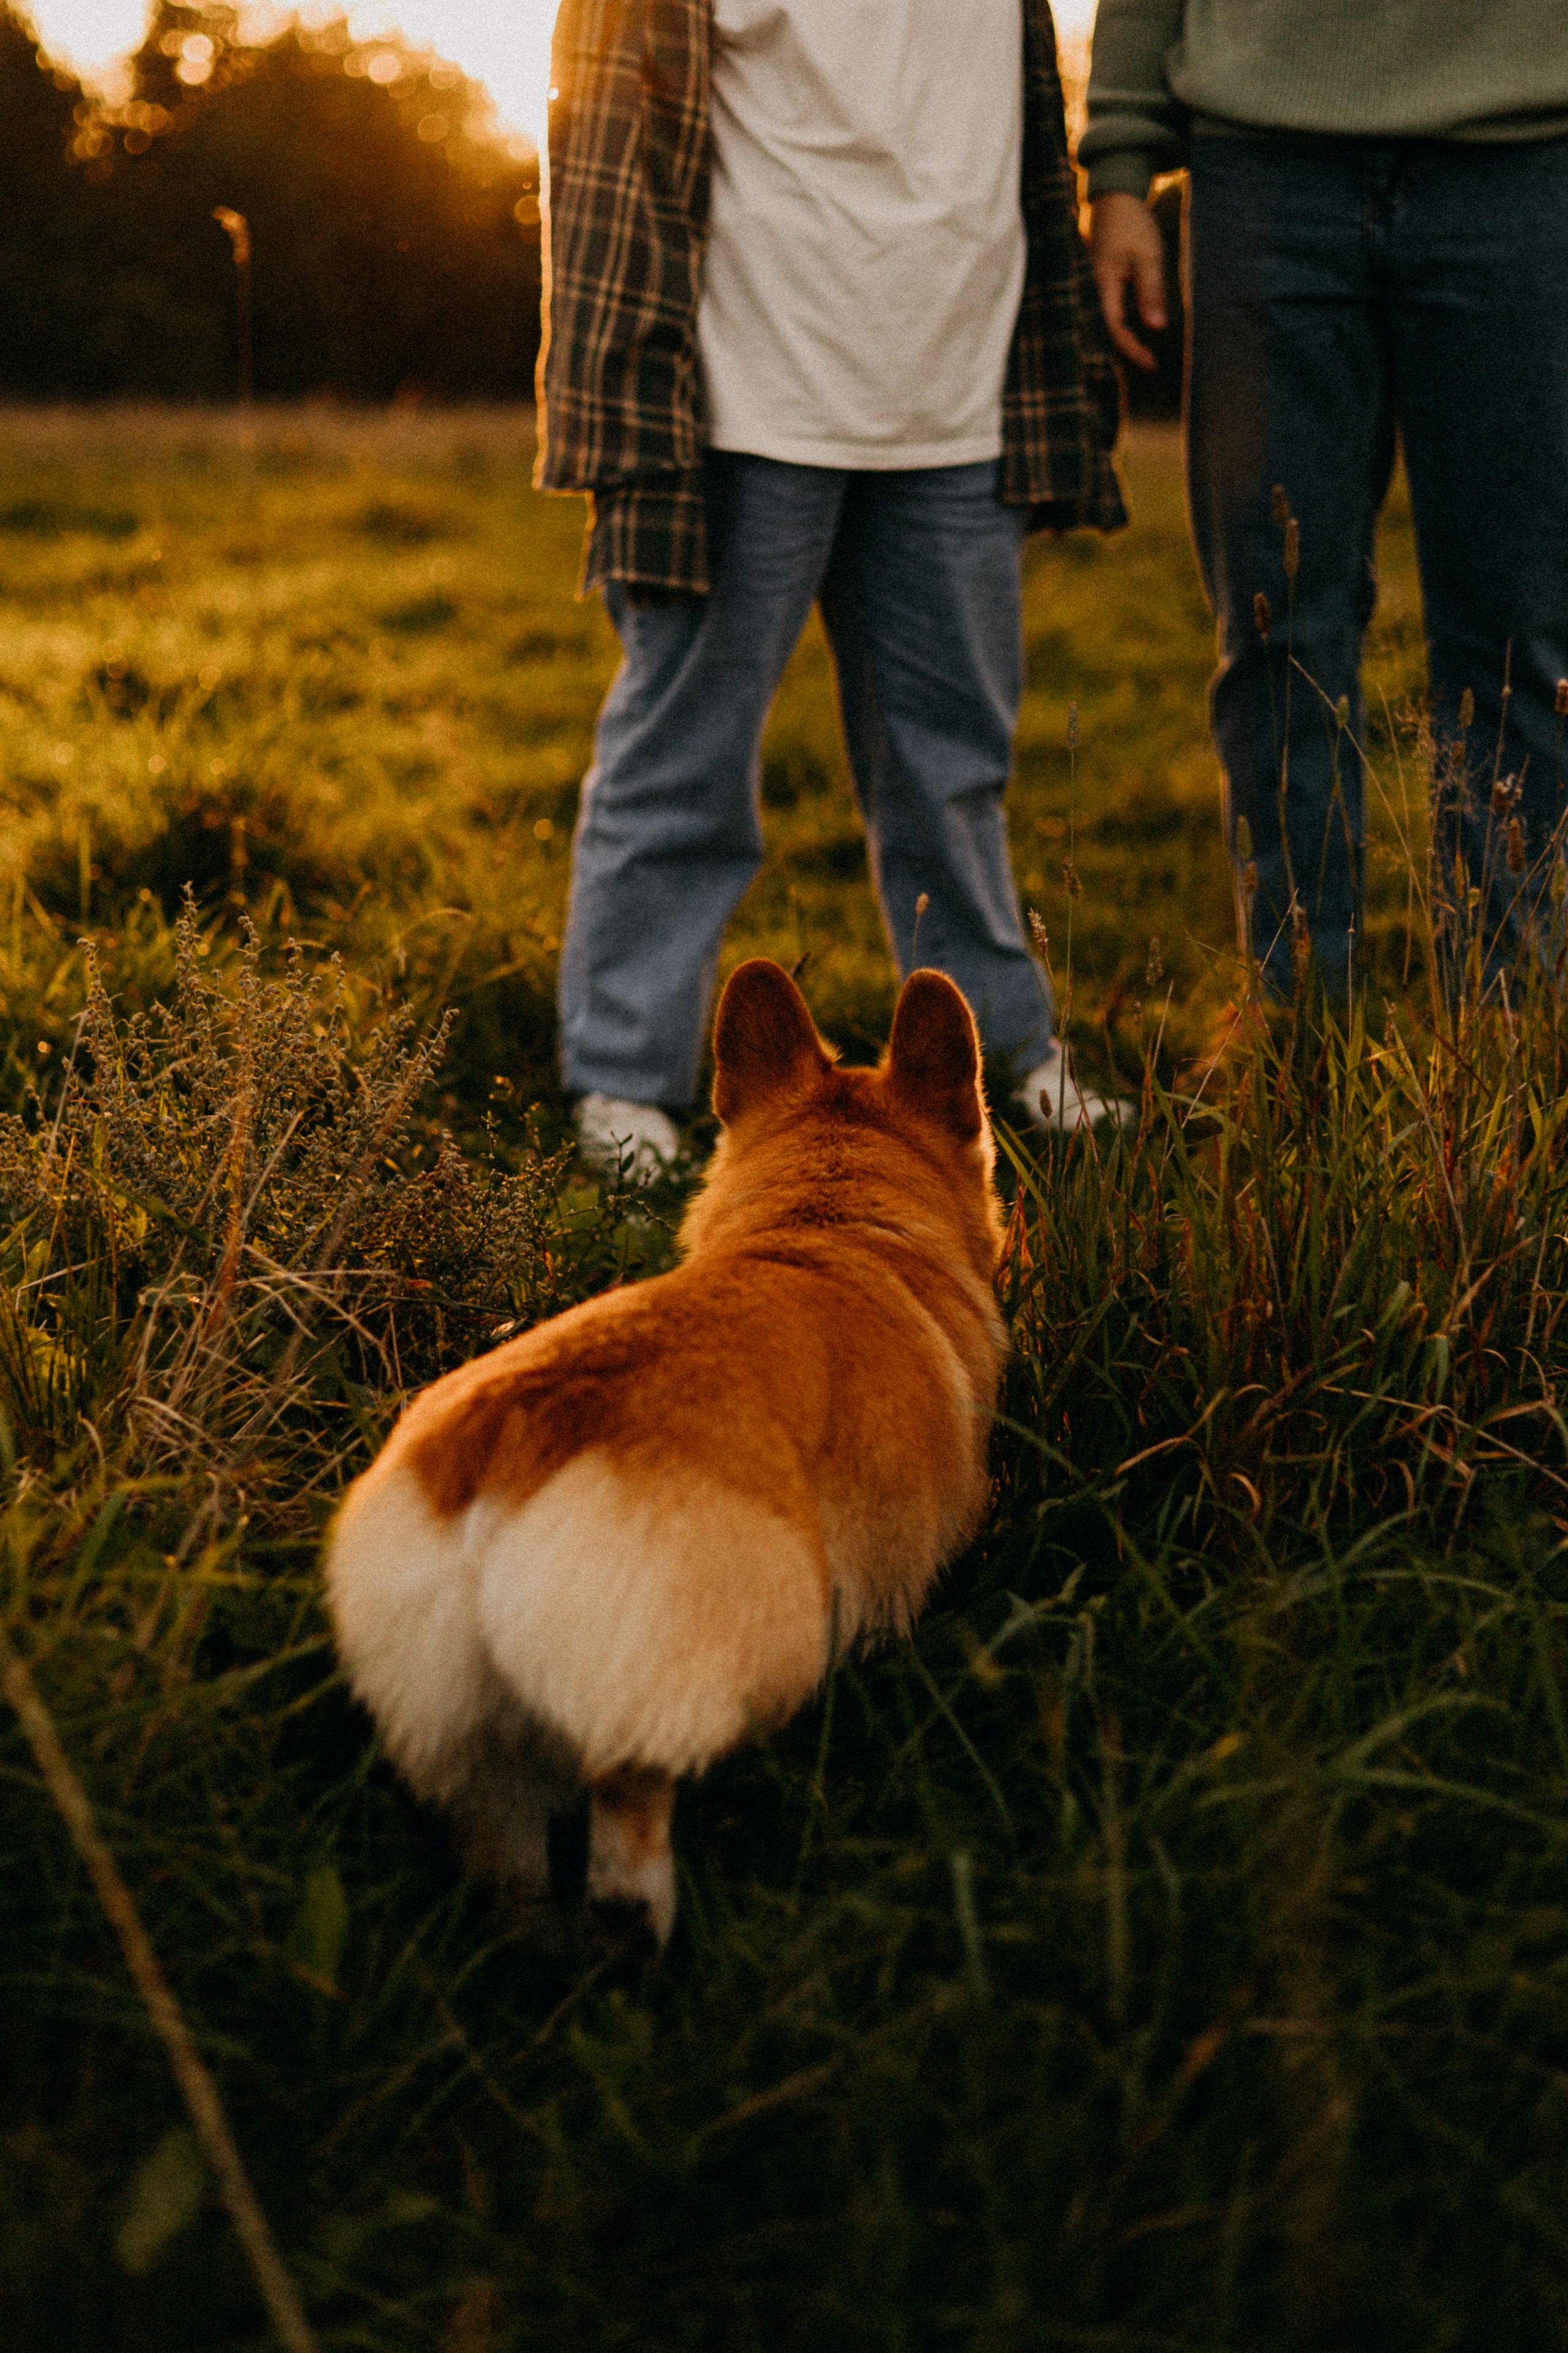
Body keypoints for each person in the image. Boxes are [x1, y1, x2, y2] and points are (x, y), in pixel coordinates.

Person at [535, 0, 1127, 1171]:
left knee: (954, 772)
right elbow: (605, 137)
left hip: (958, 392)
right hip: (747, 396)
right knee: (683, 762)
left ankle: (1001, 1059)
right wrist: (630, 406)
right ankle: (624, 1083)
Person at [1082, 1, 1568, 1005]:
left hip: (1528, 153)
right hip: (1263, 165)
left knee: (1522, 650)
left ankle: (1505, 1073)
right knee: (1276, 638)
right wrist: (1122, 159)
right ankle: (1301, 1040)